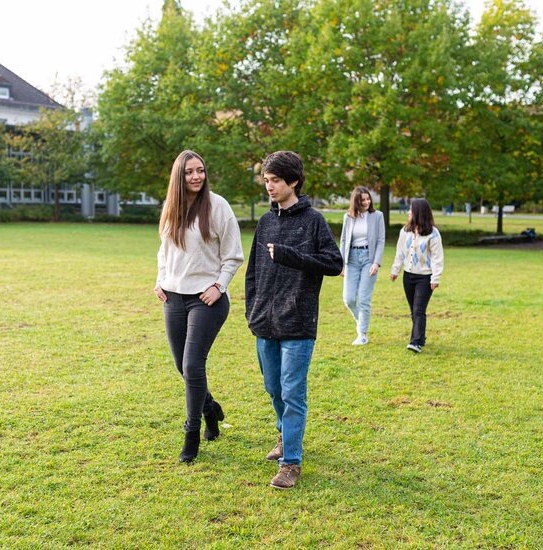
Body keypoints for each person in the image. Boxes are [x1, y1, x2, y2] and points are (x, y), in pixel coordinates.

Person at [244, 151, 343, 489]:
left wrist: (291, 257)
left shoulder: (313, 221)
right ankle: (284, 436)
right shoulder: (265, 222)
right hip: (265, 321)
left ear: (293, 181)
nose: (268, 187)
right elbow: (253, 272)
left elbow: (333, 263)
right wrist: (251, 310)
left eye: (274, 181)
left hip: (299, 323)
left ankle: (291, 464)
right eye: (266, 181)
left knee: (292, 392)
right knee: (273, 388)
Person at [155, 150, 244, 463]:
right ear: (179, 177)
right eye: (189, 172)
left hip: (207, 300)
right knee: (183, 367)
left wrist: (219, 287)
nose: (196, 177)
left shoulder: (217, 206)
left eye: (201, 171)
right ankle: (211, 409)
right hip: (173, 297)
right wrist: (159, 280)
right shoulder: (171, 207)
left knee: (193, 365)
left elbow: (233, 254)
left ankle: (191, 434)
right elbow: (164, 252)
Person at [390, 198, 444, 354]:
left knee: (419, 309)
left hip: (425, 277)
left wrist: (435, 278)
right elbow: (400, 253)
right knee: (413, 310)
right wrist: (395, 270)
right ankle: (420, 338)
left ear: (419, 212)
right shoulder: (405, 231)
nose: (408, 212)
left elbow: (437, 258)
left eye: (411, 209)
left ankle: (415, 342)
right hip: (408, 276)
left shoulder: (433, 234)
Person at [339, 186, 385, 345]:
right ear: (356, 201)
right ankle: (361, 322)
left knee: (363, 299)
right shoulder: (348, 217)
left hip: (368, 259)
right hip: (351, 259)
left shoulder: (377, 216)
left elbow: (380, 240)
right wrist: (341, 264)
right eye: (362, 200)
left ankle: (362, 334)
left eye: (368, 199)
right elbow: (344, 240)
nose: (366, 202)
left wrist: (376, 263)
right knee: (349, 299)